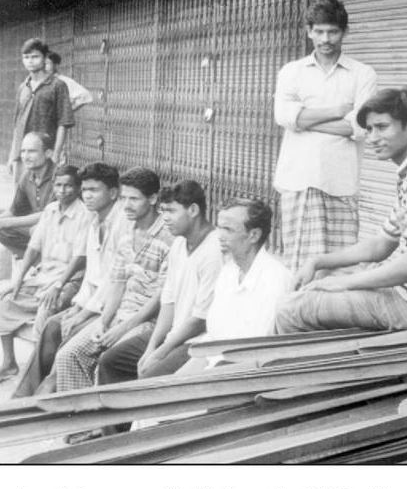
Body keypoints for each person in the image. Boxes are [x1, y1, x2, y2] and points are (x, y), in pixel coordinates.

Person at [275, 86, 407, 333]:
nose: (372, 138)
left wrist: (344, 283)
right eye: (369, 129)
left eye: (382, 127)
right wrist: (317, 261)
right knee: (326, 278)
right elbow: (380, 245)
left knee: (290, 309)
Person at [273, 0, 377, 272]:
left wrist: (303, 120)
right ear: (309, 31)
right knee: (299, 266)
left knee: (339, 267)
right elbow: (283, 116)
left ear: (345, 32)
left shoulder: (362, 74)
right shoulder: (292, 72)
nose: (325, 39)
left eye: (333, 31)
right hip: (298, 180)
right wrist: (338, 110)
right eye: (319, 31)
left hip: (340, 182)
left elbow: (358, 127)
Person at [54, 167, 173, 395]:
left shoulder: (169, 238)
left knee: (106, 361)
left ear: (152, 199)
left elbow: (160, 298)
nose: (126, 205)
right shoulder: (126, 234)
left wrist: (122, 328)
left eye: (134, 199)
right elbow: (117, 283)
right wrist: (104, 321)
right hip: (119, 315)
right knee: (68, 355)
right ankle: (80, 415)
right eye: (124, 198)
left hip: (147, 322)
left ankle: (102, 414)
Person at [12, 162, 124, 399]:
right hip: (93, 301)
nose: (87, 196)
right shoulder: (96, 221)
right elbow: (92, 276)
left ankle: (50, 392)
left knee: (69, 332)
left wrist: (84, 312)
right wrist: (79, 305)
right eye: (85, 190)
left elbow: (113, 281)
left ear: (113, 193)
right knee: (53, 325)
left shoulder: (121, 224)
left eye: (94, 190)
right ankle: (28, 394)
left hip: (113, 305)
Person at [107, 180, 222, 382]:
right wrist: (151, 347)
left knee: (150, 379)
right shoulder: (178, 244)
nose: (165, 218)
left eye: (171, 211)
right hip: (174, 335)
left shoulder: (214, 251)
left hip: (196, 341)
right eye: (163, 211)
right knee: (110, 360)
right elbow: (168, 301)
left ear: (193, 210)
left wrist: (160, 352)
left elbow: (200, 320)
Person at [0, 165, 90, 383]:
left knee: (47, 309)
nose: (62, 190)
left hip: (69, 280)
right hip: (44, 276)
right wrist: (18, 280)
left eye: (68, 186)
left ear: (78, 188)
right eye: (58, 185)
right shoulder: (50, 210)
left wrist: (58, 286)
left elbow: (79, 258)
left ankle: (37, 374)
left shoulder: (85, 215)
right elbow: (34, 247)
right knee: (7, 300)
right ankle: (9, 363)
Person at [178, 198, 293, 374]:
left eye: (228, 229)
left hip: (244, 375)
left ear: (254, 235)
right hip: (214, 365)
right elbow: (214, 338)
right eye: (219, 227)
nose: (219, 236)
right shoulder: (228, 271)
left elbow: (256, 351)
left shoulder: (275, 279)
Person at [0, 132, 56, 258]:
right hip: (39, 229)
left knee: (36, 231)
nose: (25, 157)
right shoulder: (26, 175)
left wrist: (4, 222)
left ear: (48, 153)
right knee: (2, 231)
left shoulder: (59, 177)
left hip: (59, 229)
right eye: (23, 151)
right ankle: (37, 259)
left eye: (32, 151)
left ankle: (43, 259)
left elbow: (48, 215)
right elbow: (15, 210)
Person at [8, 38, 74, 178]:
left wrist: (56, 154)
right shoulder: (23, 87)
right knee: (21, 189)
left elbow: (63, 123)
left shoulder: (57, 85)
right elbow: (17, 124)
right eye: (26, 57)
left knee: (44, 188)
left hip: (45, 152)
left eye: (35, 57)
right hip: (23, 154)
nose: (30, 61)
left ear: (44, 58)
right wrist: (12, 156)